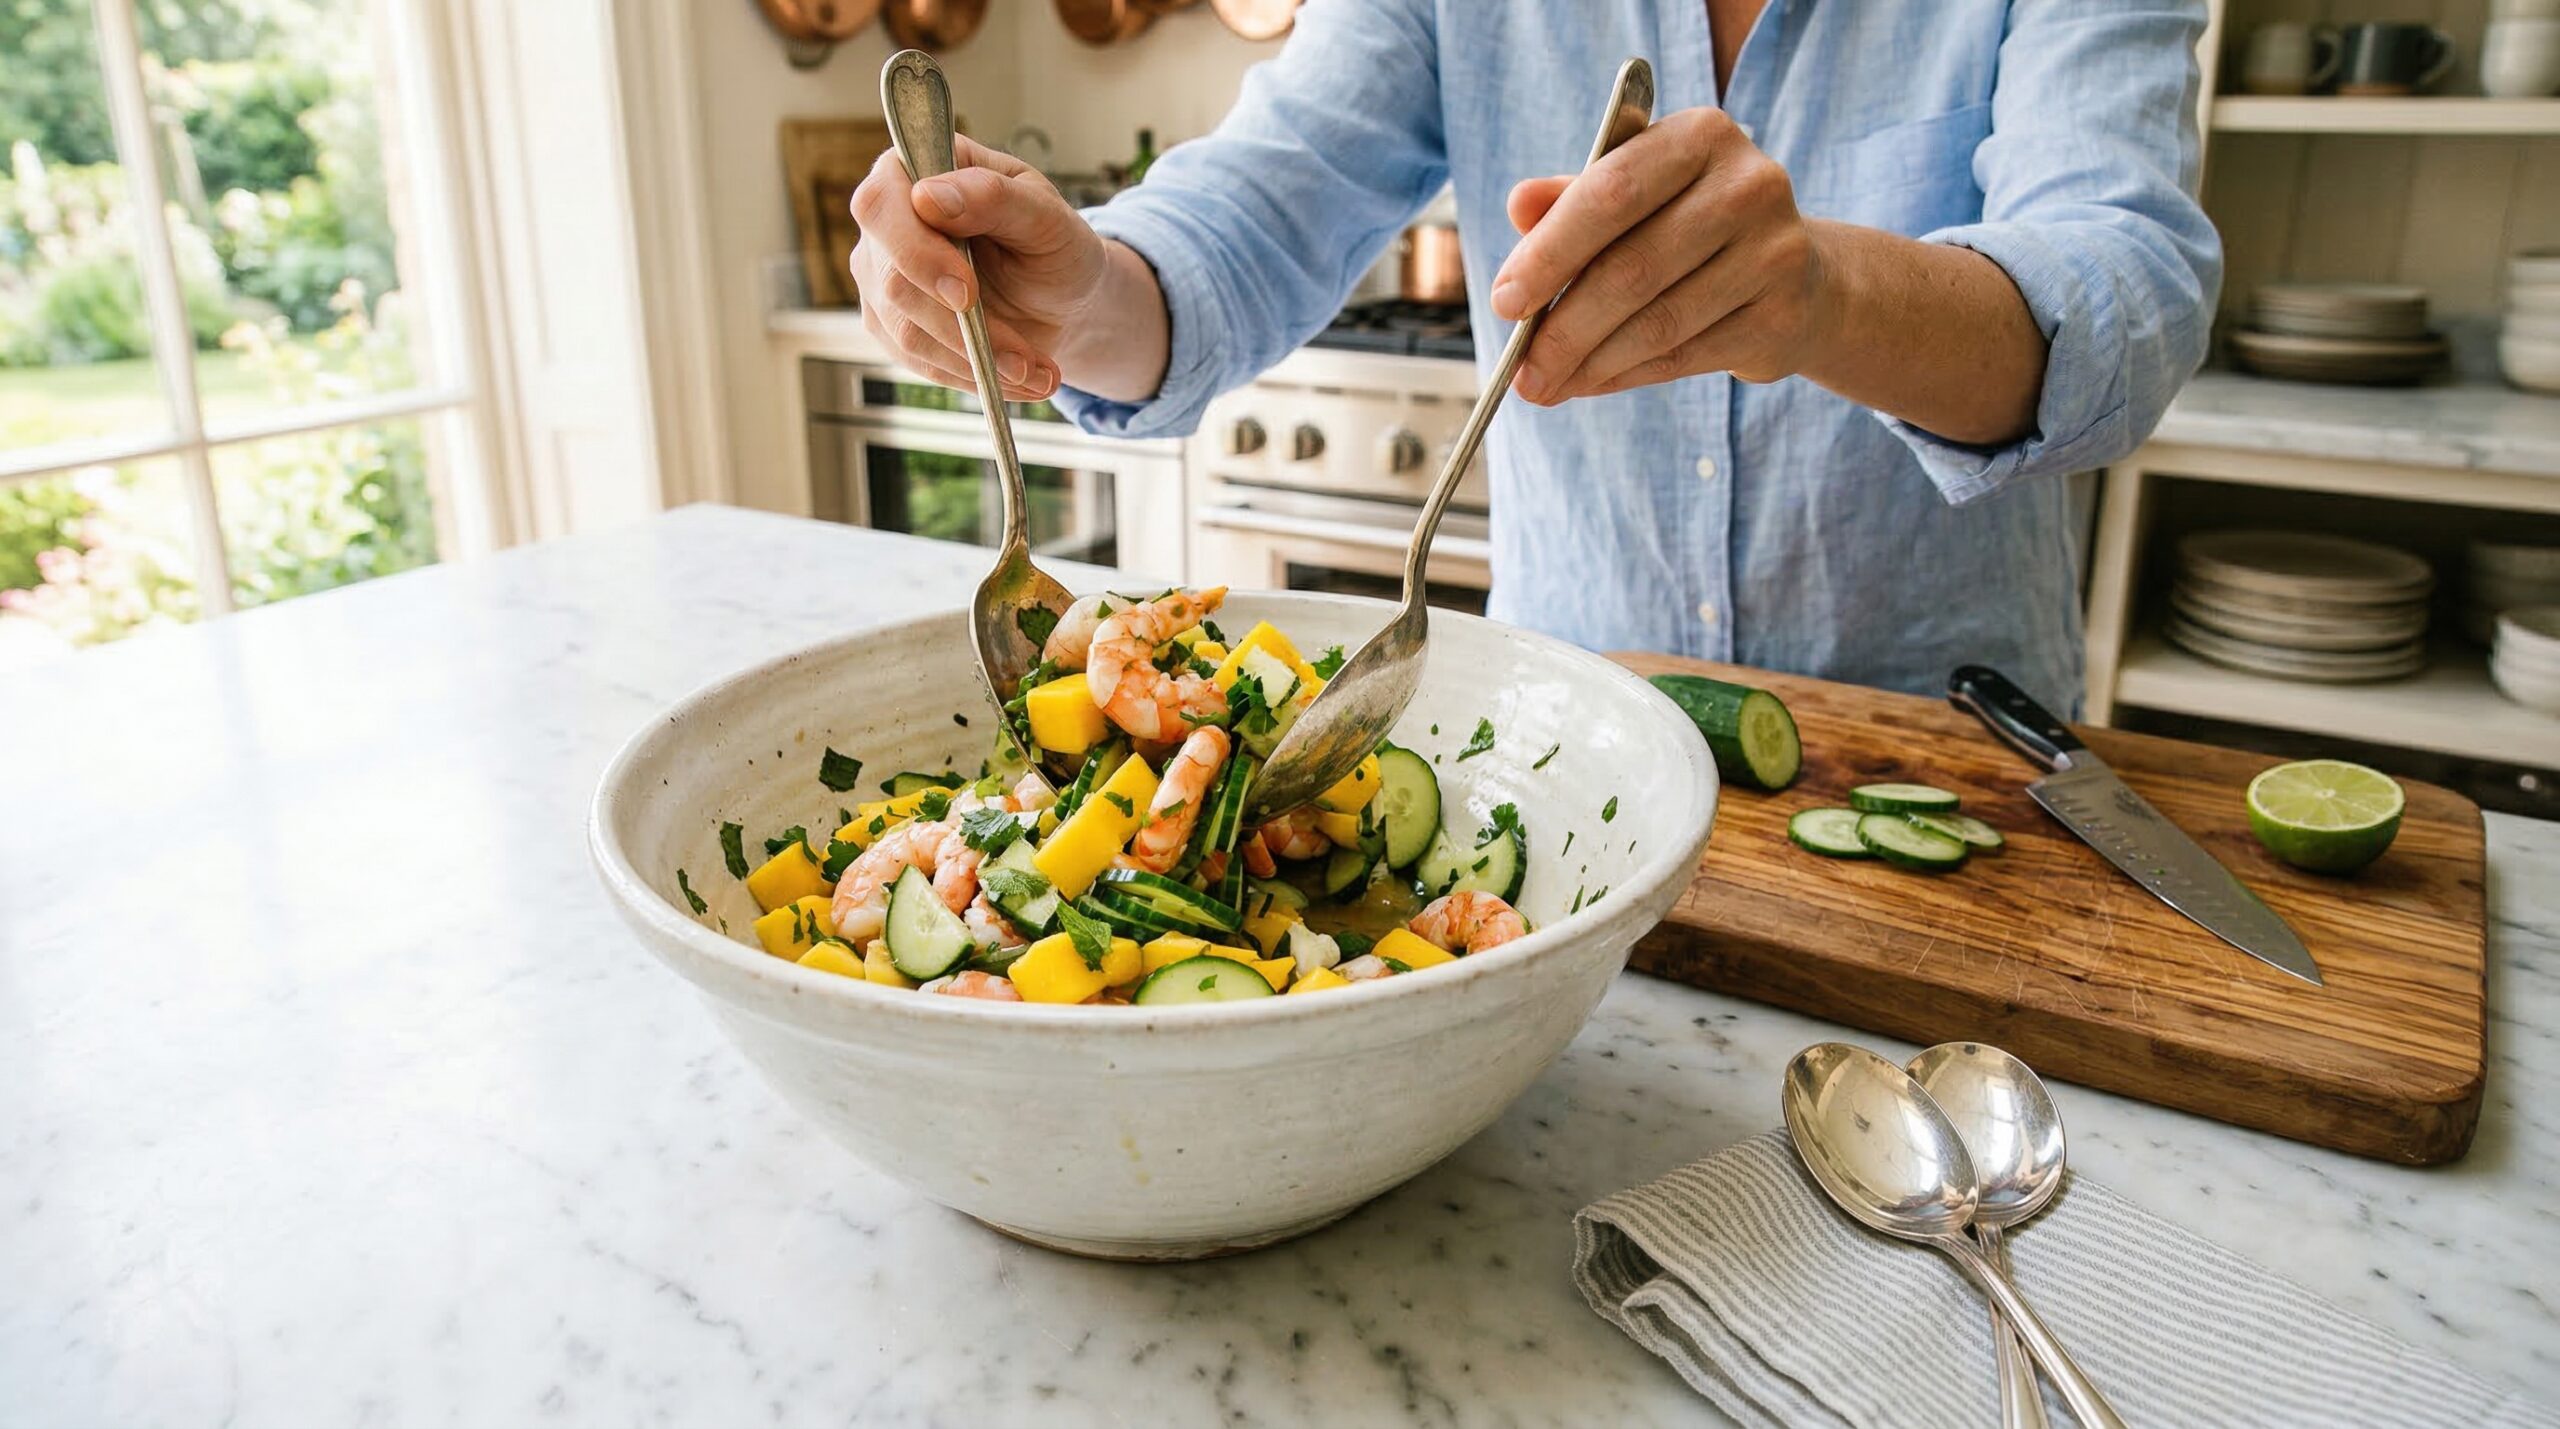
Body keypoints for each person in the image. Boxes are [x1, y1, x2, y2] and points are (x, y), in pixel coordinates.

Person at [847, 1, 2221, 709]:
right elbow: (1260, 207)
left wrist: (1824, 292)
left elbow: (2129, 293)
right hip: (1570, 745)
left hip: (1952, 750)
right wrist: (1075, 290)